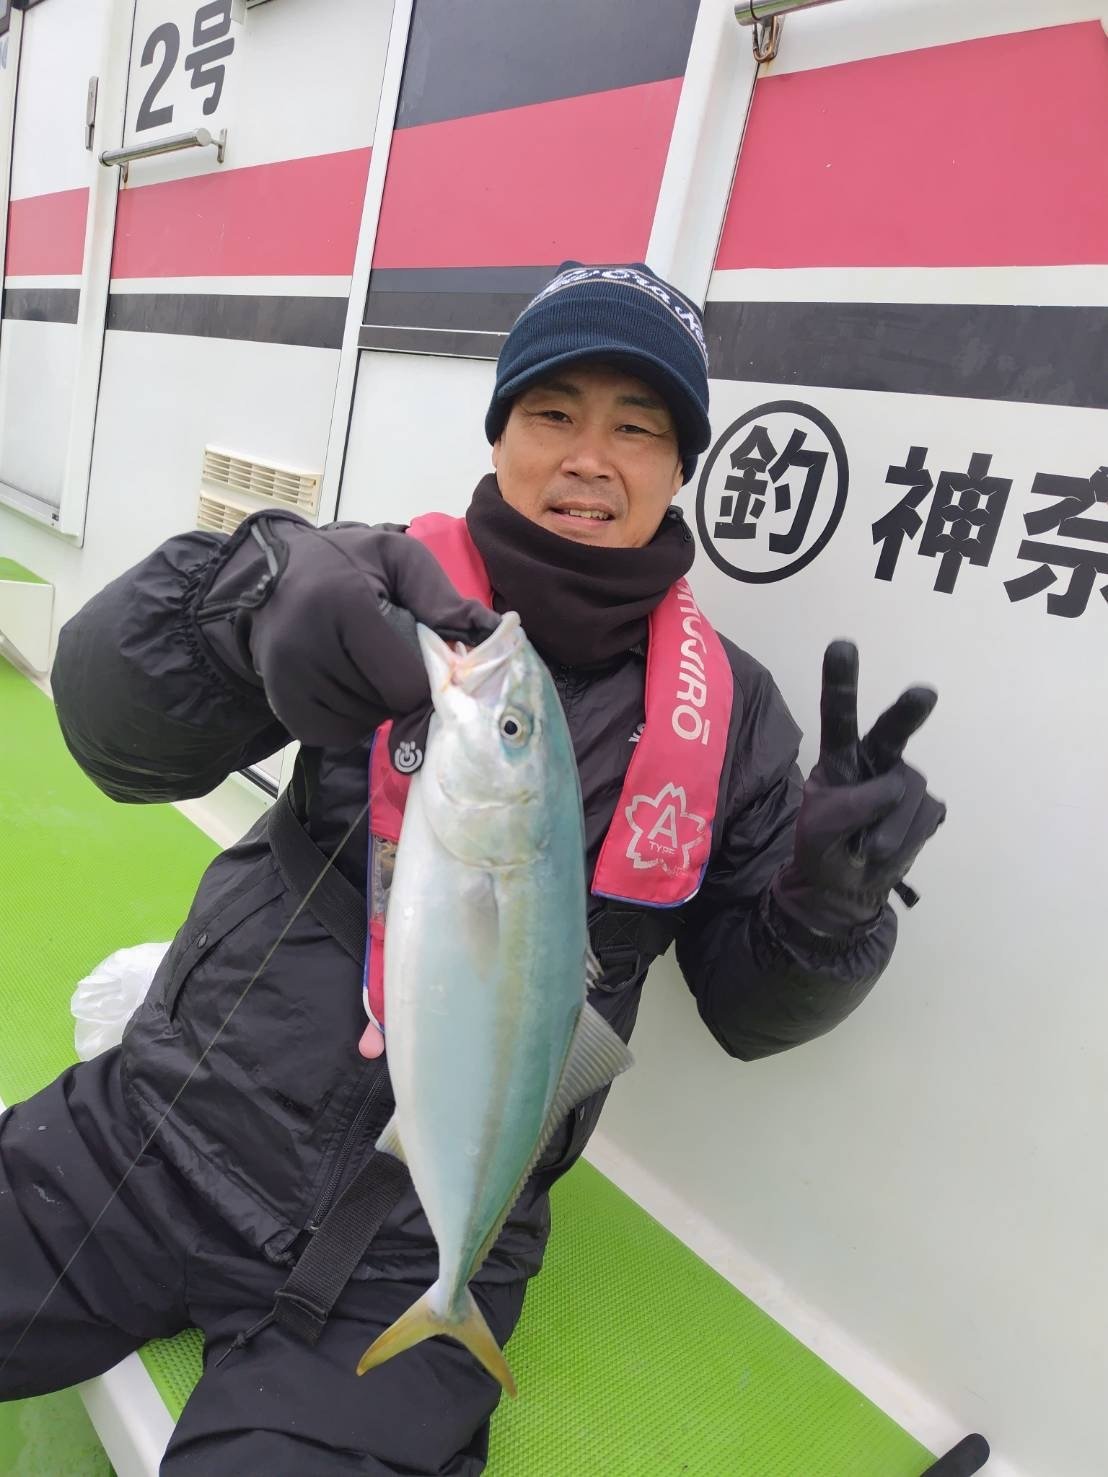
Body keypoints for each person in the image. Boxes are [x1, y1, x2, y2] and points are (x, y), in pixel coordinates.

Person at [0, 263, 945, 1474]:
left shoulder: (736, 717)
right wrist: (244, 604)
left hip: (410, 1248)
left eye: (637, 429)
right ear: (499, 435)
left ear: (679, 467)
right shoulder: (369, 584)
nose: (589, 458)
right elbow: (114, 736)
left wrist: (826, 913)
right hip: (159, 1132)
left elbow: (750, 1010)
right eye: (552, 413)